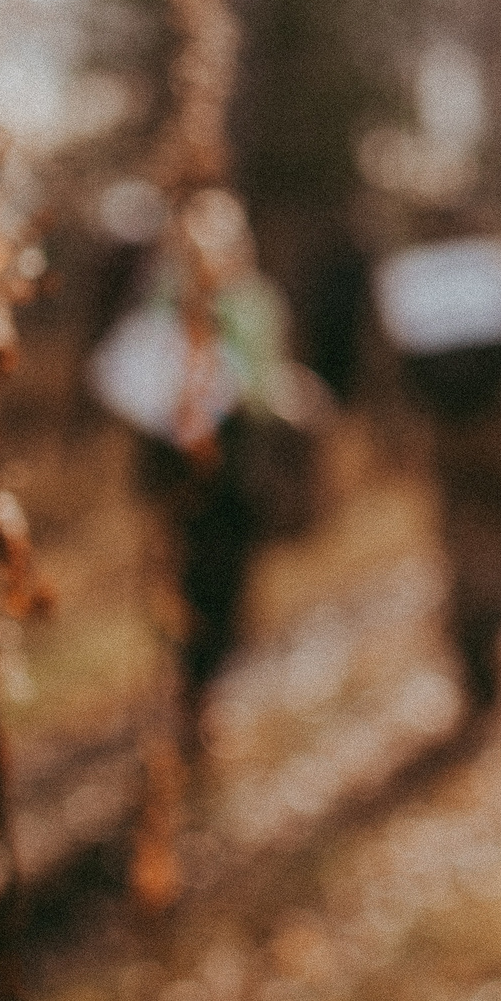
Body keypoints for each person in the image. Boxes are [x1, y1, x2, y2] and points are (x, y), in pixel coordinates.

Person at [89, 187, 323, 741]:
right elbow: (260, 389)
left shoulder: (173, 297)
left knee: (195, 574)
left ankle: (195, 687)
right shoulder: (237, 301)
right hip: (222, 468)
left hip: (194, 467)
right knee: (213, 579)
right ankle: (198, 690)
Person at [374, 213, 501, 716]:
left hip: (444, 438)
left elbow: (386, 360)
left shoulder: (410, 273)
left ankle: (476, 662)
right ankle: (486, 657)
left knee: (463, 547)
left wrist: (398, 435)